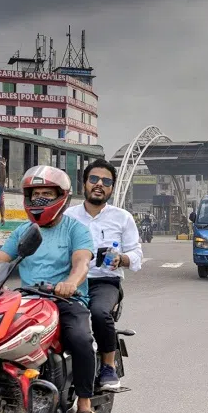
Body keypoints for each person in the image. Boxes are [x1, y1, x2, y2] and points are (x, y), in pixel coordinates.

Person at [0, 166, 103, 413]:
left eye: (46, 194)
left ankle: (85, 407)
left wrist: (72, 282)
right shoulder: (25, 231)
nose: (39, 199)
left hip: (65, 300)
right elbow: (0, 259)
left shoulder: (75, 229)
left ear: (61, 197)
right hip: (28, 300)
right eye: (35, 194)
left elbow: (81, 262)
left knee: (80, 338)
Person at [64, 159, 143, 391]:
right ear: (84, 183)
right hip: (72, 280)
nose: (99, 184)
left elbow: (136, 253)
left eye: (106, 181)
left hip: (105, 281)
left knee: (99, 313)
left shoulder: (122, 217)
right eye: (94, 179)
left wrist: (121, 259)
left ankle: (108, 366)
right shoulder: (68, 215)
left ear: (111, 188)